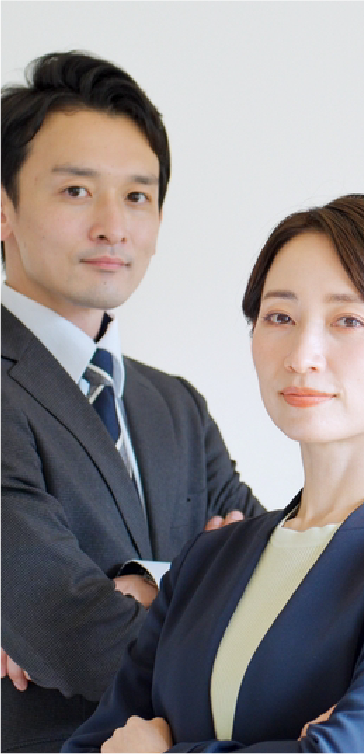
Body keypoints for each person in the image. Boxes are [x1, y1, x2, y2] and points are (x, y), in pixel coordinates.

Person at [63, 194, 364, 754]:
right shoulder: (208, 560)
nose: (302, 354)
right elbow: (89, 746)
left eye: (347, 319)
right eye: (280, 317)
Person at [0, 52, 263, 754]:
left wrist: (141, 587)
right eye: (77, 192)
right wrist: (200, 589)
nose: (114, 227)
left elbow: (279, 587)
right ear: (2, 208)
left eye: (138, 196)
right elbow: (73, 632)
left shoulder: (173, 404)